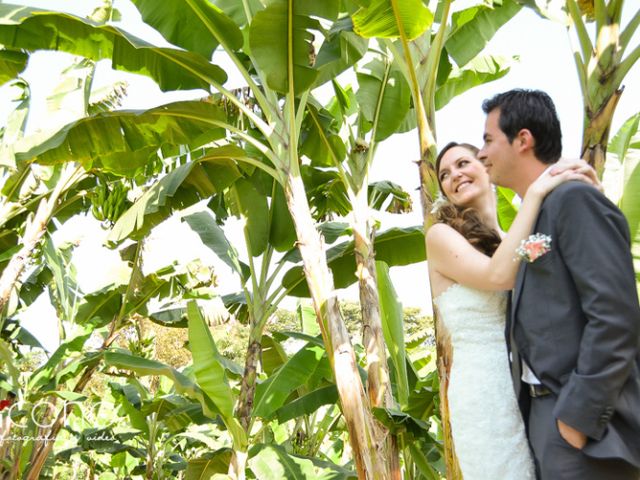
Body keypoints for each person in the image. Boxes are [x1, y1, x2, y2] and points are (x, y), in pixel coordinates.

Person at [479, 89, 640, 479]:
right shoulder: (535, 213)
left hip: (582, 425)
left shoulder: (574, 200)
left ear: (523, 139)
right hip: (543, 415)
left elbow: (615, 316)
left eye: (487, 140)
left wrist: (577, 420)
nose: (482, 153)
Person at [427, 141, 597, 479]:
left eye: (463, 163)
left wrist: (584, 194)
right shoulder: (440, 237)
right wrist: (535, 192)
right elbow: (498, 275)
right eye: (445, 174)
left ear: (487, 167)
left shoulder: (511, 239)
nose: (454, 175)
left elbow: (557, 275)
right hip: (483, 389)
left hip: (529, 386)